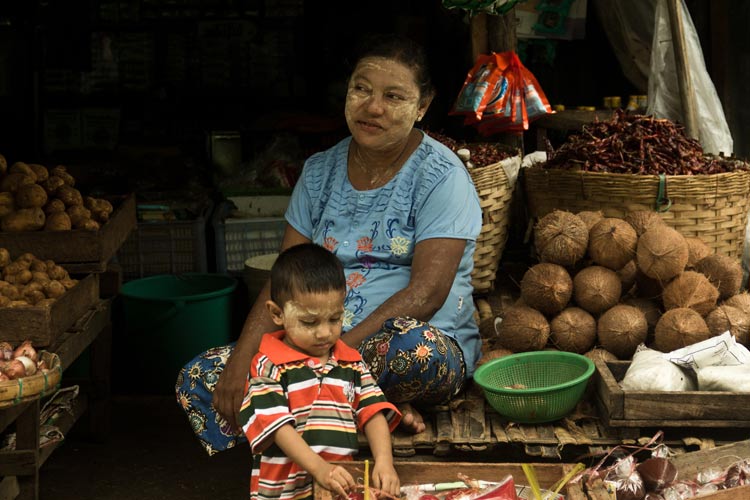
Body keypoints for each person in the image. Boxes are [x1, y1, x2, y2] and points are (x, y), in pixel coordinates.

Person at [176, 33, 482, 456]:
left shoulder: (442, 177)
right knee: (202, 377)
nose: (372, 107)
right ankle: (355, 416)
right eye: (361, 89)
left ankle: (326, 407)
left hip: (393, 343)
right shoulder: (319, 171)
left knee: (416, 351)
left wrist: (337, 360)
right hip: (306, 342)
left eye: (394, 97)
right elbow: (286, 277)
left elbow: (427, 293)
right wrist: (243, 358)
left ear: (423, 106)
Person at [241, 243, 400, 500]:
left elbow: (372, 411)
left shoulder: (351, 362)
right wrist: (319, 468)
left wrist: (384, 461)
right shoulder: (268, 365)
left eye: (335, 319)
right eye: (309, 322)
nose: (325, 332)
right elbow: (276, 427)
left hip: (337, 487)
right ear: (277, 313)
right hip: (284, 493)